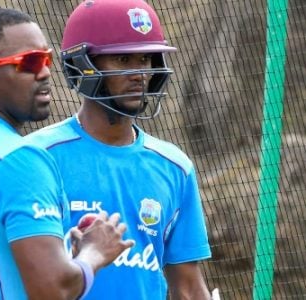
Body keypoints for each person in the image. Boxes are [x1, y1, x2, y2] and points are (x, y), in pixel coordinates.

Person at [0, 8, 134, 300]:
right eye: (30, 62)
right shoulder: (18, 159)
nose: (45, 72)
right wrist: (95, 253)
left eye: (46, 59)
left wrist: (66, 257)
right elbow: (52, 289)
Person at [26, 0, 212, 299]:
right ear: (81, 65)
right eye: (123, 60)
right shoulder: (36, 157)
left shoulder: (175, 166)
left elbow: (188, 287)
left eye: (146, 59)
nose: (140, 73)